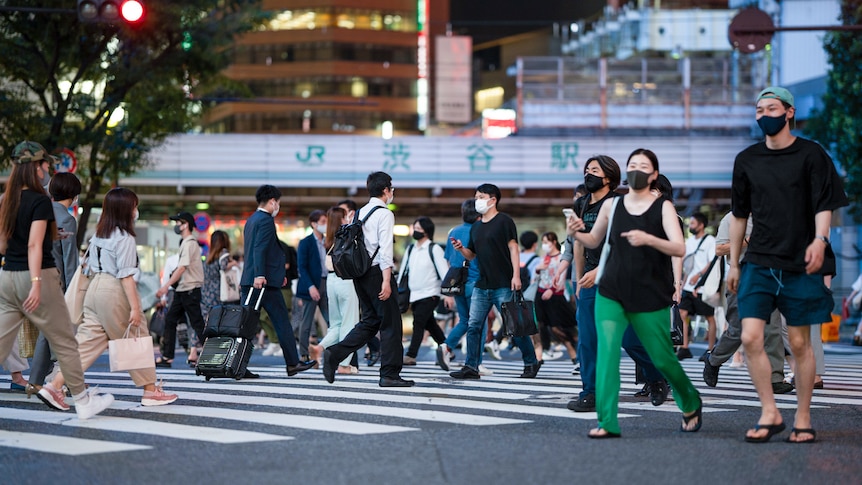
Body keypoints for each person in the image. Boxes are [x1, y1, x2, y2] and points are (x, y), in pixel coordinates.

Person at [727, 87, 847, 443]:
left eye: (772, 108)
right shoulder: (746, 160)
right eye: (759, 109)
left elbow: (824, 205)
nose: (765, 114)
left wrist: (819, 240)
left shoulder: (812, 155)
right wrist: (734, 263)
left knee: (799, 343)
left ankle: (804, 417)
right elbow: (738, 215)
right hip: (759, 261)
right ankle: (770, 412)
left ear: (789, 112)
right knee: (750, 337)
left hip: (801, 263)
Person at [568, 148, 702, 438]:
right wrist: (576, 231)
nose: (637, 170)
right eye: (633, 165)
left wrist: (648, 239)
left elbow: (679, 248)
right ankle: (607, 422)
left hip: (647, 290)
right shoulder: (612, 206)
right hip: (611, 288)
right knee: (606, 352)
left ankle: (690, 401)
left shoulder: (662, 206)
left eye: (643, 166)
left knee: (661, 355)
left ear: (653, 174)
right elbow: (592, 240)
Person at [0, 140, 113, 419]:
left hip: (7, 276)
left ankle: (46, 385)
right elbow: (35, 246)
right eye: (45, 164)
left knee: (2, 340)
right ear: (35, 167)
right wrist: (37, 282)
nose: (48, 168)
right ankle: (82, 401)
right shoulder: (40, 202)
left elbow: (4, 244)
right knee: (65, 341)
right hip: (39, 278)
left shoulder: (6, 200)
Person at [45, 188, 178, 406]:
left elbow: (87, 266)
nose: (136, 210)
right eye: (134, 206)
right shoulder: (124, 237)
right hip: (113, 290)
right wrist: (136, 308)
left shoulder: (99, 234)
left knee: (86, 345)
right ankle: (151, 391)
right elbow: (126, 277)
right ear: (126, 209)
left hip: (94, 290)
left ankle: (55, 386)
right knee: (136, 337)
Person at [557, 155, 669, 412]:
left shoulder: (620, 204)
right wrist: (577, 279)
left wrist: (600, 270)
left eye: (594, 170)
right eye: (586, 170)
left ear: (609, 177)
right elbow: (577, 245)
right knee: (588, 339)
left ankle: (657, 376)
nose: (588, 174)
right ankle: (591, 393)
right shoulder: (580, 205)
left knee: (631, 339)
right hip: (589, 283)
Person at [322, 172, 414, 387]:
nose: (392, 192)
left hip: (359, 275)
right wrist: (386, 280)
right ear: (385, 190)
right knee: (391, 324)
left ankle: (335, 354)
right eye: (391, 188)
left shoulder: (360, 212)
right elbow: (385, 250)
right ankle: (389, 374)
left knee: (370, 321)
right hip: (376, 274)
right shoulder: (384, 213)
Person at [449, 183, 540, 380]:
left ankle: (531, 362)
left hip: (503, 283)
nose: (477, 201)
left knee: (515, 326)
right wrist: (460, 249)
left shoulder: (504, 221)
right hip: (482, 285)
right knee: (474, 326)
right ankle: (471, 367)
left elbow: (514, 248)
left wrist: (516, 276)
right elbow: (472, 255)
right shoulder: (476, 227)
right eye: (476, 197)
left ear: (493, 200)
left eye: (481, 196)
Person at [702, 212, 793, 394]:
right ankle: (714, 359)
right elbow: (719, 249)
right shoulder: (731, 218)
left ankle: (774, 378)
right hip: (741, 276)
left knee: (772, 328)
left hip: (770, 275)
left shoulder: (772, 215)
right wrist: (747, 241)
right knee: (738, 328)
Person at [241, 185, 316, 377]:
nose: (278, 206)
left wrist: (274, 274)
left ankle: (238, 365)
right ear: (273, 201)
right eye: (278, 202)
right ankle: (292, 363)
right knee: (280, 321)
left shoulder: (251, 220)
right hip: (261, 282)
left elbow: (264, 251)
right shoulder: (265, 220)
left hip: (257, 281)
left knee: (247, 325)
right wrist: (260, 275)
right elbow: (260, 249)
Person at [26, 172, 82, 396]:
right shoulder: (67, 219)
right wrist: (72, 291)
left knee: (48, 332)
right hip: (55, 282)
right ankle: (63, 380)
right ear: (73, 194)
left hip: (33, 277)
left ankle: (37, 380)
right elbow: (69, 260)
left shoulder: (40, 213)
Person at [155, 212, 206, 369]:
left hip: (189, 289)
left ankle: (212, 352)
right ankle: (167, 356)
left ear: (186, 225)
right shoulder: (185, 242)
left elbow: (182, 267)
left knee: (196, 322)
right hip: (183, 289)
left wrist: (165, 287)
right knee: (171, 320)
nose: (177, 225)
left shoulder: (190, 243)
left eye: (179, 222)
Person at [436, 200, 481, 371]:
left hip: (458, 283)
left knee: (465, 320)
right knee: (478, 323)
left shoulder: (454, 231)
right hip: (475, 282)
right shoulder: (478, 231)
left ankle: (446, 346)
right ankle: (476, 361)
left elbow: (448, 259)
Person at [399, 216, 449, 365]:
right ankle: (447, 349)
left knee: (419, 322)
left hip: (430, 293)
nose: (416, 231)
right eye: (414, 228)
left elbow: (444, 273)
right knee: (430, 324)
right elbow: (403, 271)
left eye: (419, 229)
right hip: (413, 294)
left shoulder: (434, 248)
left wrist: (447, 294)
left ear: (427, 231)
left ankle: (411, 355)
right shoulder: (410, 249)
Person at [317, 206, 361, 374]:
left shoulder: (328, 238)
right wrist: (351, 222)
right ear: (341, 220)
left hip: (331, 281)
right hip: (346, 281)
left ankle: (320, 348)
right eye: (344, 217)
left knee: (335, 323)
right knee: (349, 323)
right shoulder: (345, 235)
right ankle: (344, 364)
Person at [533, 231, 578, 371]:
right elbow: (537, 277)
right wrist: (537, 269)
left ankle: (575, 356)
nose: (544, 245)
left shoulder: (561, 258)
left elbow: (562, 277)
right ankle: (537, 359)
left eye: (546, 242)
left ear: (553, 242)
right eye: (543, 242)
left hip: (555, 297)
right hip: (540, 295)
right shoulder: (544, 257)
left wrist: (552, 290)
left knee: (557, 328)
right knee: (538, 327)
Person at [677, 212, 718, 360]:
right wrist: (682, 282)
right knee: (682, 313)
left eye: (693, 224)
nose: (690, 226)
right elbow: (688, 264)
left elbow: (712, 262)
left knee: (709, 317)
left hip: (703, 286)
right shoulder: (689, 242)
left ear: (701, 225)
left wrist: (698, 276)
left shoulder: (710, 241)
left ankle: (711, 349)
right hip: (688, 285)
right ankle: (684, 347)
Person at [295, 209, 329, 364]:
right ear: (314, 224)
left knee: (331, 320)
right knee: (306, 322)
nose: (325, 224)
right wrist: (310, 286)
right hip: (311, 285)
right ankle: (303, 353)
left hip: (327, 282)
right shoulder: (306, 242)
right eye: (322, 222)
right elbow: (302, 267)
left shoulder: (328, 241)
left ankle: (330, 351)